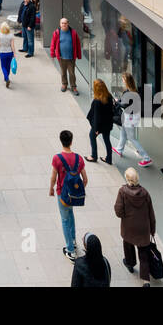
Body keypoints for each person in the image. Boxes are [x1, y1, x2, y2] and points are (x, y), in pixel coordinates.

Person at [50, 129, 89, 259]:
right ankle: (73, 240)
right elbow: (85, 179)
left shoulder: (57, 158)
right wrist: (78, 189)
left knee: (65, 219)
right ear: (71, 142)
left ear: (61, 141)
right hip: (73, 195)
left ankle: (70, 250)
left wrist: (51, 188)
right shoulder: (78, 158)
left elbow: (54, 177)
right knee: (70, 214)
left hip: (62, 193)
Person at [115, 168, 157, 285]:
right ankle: (145, 280)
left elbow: (118, 211)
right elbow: (151, 213)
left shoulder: (122, 191)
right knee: (143, 254)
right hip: (143, 228)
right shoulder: (145, 193)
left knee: (128, 245)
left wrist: (125, 216)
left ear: (127, 179)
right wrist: (152, 229)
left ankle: (130, 263)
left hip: (128, 226)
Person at [113, 71, 152, 166]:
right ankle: (119, 149)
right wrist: (119, 101)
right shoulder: (132, 91)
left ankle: (146, 158)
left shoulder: (130, 93)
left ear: (127, 82)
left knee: (131, 138)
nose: (122, 81)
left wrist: (117, 102)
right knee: (123, 132)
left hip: (130, 118)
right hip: (130, 116)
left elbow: (125, 105)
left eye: (123, 80)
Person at [86, 79, 115, 164]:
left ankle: (94, 156)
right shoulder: (109, 97)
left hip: (99, 125)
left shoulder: (97, 101)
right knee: (107, 140)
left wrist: (96, 129)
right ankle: (109, 159)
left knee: (92, 136)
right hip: (107, 124)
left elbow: (96, 117)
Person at [50, 17, 81, 94]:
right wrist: (52, 54)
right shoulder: (56, 33)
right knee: (63, 72)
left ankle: (73, 87)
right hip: (61, 57)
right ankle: (64, 84)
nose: (64, 24)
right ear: (60, 24)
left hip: (71, 58)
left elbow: (78, 44)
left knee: (72, 73)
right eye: (62, 23)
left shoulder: (73, 33)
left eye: (65, 23)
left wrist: (79, 55)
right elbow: (53, 44)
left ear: (68, 24)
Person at [0, 18, 16, 88]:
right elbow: (12, 46)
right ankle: (7, 76)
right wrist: (14, 53)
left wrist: (2, 45)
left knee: (3, 66)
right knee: (8, 66)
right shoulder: (11, 35)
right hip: (10, 52)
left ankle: (6, 78)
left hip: (2, 52)